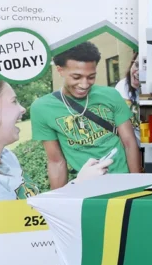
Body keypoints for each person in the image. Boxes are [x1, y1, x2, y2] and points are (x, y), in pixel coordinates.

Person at [31, 42, 142, 189]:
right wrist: (59, 201)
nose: (84, 84)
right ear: (60, 70)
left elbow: (129, 143)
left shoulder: (111, 95)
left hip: (123, 180)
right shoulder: (42, 108)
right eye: (76, 77)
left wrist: (136, 185)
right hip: (86, 186)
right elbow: (56, 162)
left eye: (91, 77)